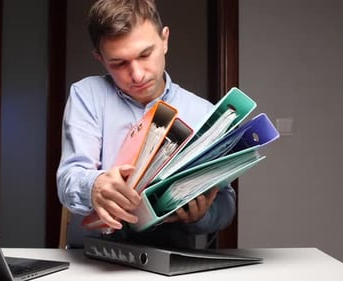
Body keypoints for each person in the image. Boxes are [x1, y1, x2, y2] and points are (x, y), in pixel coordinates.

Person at [57, 0, 236, 249]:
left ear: (165, 40)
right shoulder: (87, 95)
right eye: (119, 63)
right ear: (99, 58)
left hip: (172, 254)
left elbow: (225, 201)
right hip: (95, 255)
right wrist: (94, 185)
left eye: (145, 54)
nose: (138, 74)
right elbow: (68, 178)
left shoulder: (204, 112)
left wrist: (202, 215)